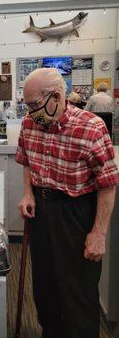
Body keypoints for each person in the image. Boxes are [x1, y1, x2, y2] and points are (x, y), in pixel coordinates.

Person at [15, 68, 119, 338]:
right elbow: (26, 160)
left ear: (57, 96)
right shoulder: (29, 124)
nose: (31, 113)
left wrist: (98, 233)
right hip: (41, 209)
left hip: (76, 213)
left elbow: (108, 184)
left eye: (35, 105)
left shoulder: (91, 127)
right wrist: (28, 193)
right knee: (44, 286)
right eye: (27, 106)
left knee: (78, 290)